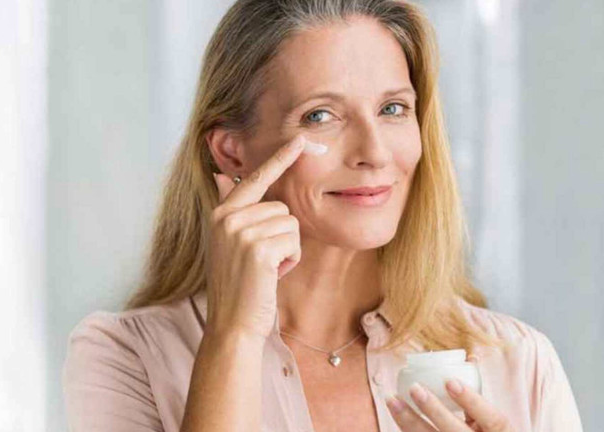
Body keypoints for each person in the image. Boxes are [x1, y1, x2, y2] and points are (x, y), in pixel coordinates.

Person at [62, 0, 583, 431]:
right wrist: (234, 335)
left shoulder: (519, 363)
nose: (374, 152)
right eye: (321, 116)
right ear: (231, 151)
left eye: (393, 109)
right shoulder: (127, 357)